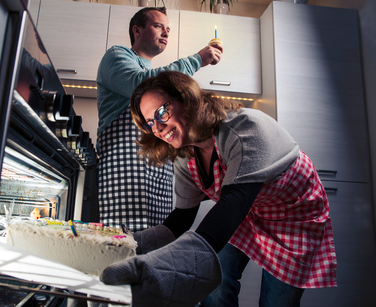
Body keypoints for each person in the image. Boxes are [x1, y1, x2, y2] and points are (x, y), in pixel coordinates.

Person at [99, 71, 337, 307]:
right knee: (214, 289)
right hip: (248, 212)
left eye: (162, 112)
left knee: (276, 302)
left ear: (187, 98)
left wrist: (162, 265)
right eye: (150, 122)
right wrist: (125, 242)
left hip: (293, 220)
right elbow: (181, 220)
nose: (158, 127)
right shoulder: (185, 155)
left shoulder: (244, 129)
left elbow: (234, 203)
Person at [96, 7, 223, 232]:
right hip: (125, 170)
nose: (165, 33)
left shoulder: (152, 71)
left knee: (157, 239)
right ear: (137, 30)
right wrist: (197, 60)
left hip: (159, 169)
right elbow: (140, 85)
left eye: (168, 29)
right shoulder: (117, 55)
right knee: (123, 243)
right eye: (158, 26)